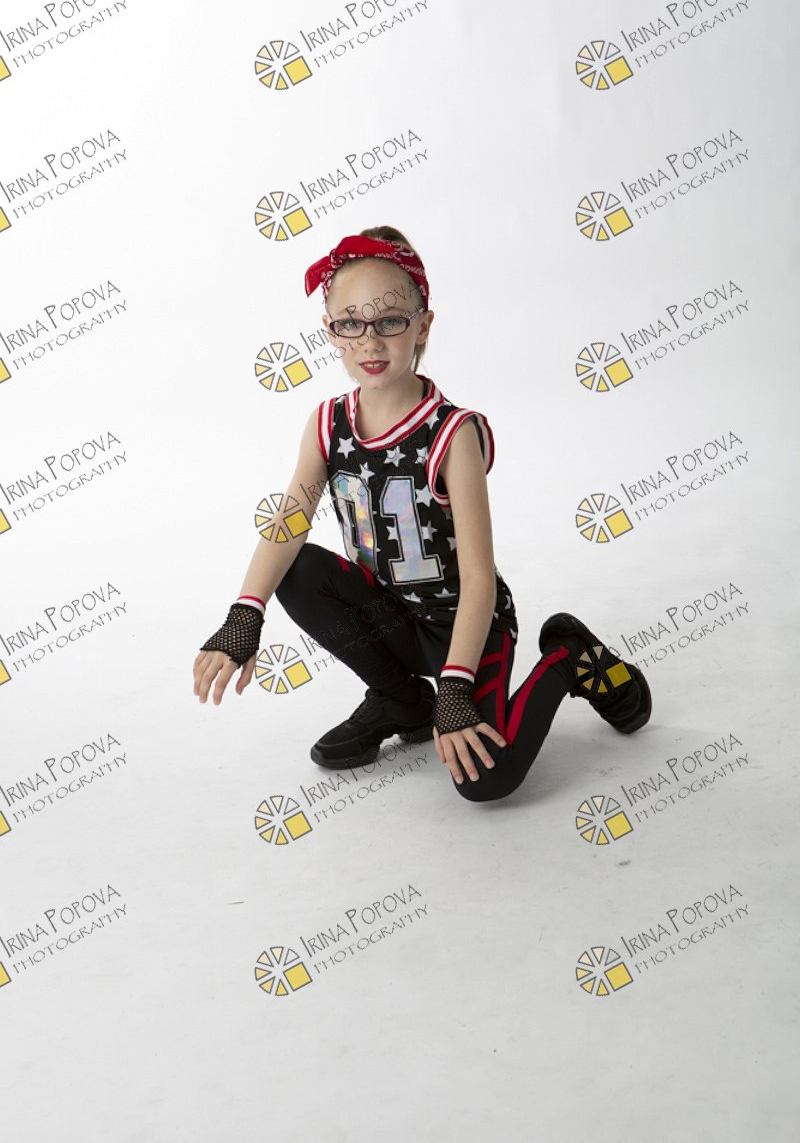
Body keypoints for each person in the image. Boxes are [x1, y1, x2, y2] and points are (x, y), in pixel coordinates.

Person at [193, 226, 651, 801]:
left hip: (467, 627)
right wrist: (244, 615)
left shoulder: (452, 433)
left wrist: (455, 689)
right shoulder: (327, 422)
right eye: (350, 323)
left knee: (487, 780)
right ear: (330, 331)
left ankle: (567, 656)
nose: (370, 341)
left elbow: (479, 576)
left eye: (389, 321)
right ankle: (402, 700)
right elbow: (290, 519)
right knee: (299, 568)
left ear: (423, 326)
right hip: (394, 618)